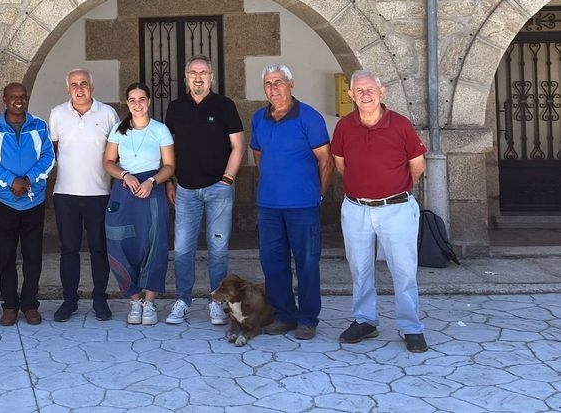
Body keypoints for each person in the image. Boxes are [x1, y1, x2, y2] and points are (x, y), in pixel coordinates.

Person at [331, 69, 429, 353]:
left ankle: (410, 326)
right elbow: (340, 164)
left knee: (404, 270)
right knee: (360, 268)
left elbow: (417, 165)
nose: (365, 94)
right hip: (356, 208)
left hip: (396, 208)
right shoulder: (344, 127)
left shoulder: (400, 125)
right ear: (350, 95)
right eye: (359, 90)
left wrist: (393, 189)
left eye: (370, 89)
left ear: (382, 91)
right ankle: (365, 320)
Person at [250, 64, 334, 341]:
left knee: (307, 263)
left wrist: (318, 195)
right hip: (269, 206)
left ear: (291, 84)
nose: (273, 88)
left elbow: (325, 159)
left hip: (303, 206)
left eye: (279, 82)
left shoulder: (309, 117)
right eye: (268, 84)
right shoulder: (258, 119)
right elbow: (258, 155)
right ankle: (284, 315)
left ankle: (307, 319)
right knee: (272, 263)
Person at [164, 54, 245, 326]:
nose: (198, 77)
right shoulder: (175, 108)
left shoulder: (224, 106)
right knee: (183, 248)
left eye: (203, 72)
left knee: (218, 248)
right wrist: (169, 181)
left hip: (218, 189)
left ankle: (216, 302)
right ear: (186, 77)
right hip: (186, 190)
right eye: (193, 72)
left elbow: (238, 145)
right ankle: (183, 300)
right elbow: (168, 150)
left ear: (211, 77)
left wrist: (228, 178)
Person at [0, 82, 55, 327]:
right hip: (5, 201)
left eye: (22, 96)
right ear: (4, 99)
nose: (18, 100)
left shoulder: (40, 125)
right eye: (13, 96)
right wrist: (11, 181)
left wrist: (29, 180)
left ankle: (30, 304)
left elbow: (48, 156)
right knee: (6, 256)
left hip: (34, 200)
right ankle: (10, 306)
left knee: (33, 256)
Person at [49, 69, 120, 322]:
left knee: (99, 249)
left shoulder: (108, 113)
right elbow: (54, 149)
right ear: (68, 88)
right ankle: (70, 301)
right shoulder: (57, 114)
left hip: (99, 194)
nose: (79, 89)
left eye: (84, 84)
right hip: (65, 195)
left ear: (92, 86)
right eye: (74, 85)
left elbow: (117, 152)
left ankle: (100, 299)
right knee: (69, 250)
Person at [103, 82, 175, 325]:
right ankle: (134, 299)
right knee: (117, 241)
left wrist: (152, 182)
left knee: (154, 243)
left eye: (141, 99)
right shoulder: (118, 130)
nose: (137, 104)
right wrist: (125, 175)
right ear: (127, 103)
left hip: (152, 190)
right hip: (124, 190)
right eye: (132, 100)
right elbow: (109, 162)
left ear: (149, 102)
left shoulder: (160, 130)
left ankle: (150, 303)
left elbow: (169, 166)